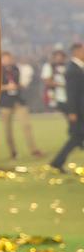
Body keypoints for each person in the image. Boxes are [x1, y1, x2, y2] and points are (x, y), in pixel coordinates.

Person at [0, 52, 41, 159]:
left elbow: (21, 83)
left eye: (9, 58)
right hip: (5, 103)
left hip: (18, 101)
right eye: (5, 59)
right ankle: (13, 152)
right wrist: (6, 87)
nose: (7, 60)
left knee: (26, 126)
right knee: (7, 130)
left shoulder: (16, 69)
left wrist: (19, 85)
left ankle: (34, 150)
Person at [50, 43, 84, 173]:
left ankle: (57, 162)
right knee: (76, 137)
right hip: (78, 110)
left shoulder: (78, 68)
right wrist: (72, 111)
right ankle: (57, 161)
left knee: (76, 137)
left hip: (80, 109)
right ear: (77, 52)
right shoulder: (72, 70)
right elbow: (71, 93)